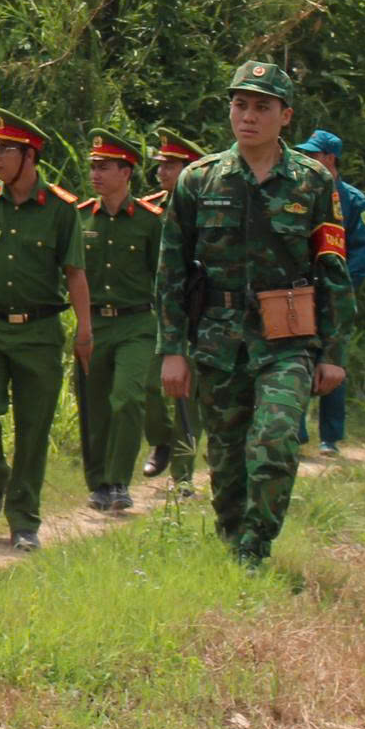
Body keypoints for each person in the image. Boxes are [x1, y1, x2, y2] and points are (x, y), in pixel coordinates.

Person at [156, 61, 353, 568]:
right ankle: (232, 540)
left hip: (287, 338)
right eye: (240, 105)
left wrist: (333, 353)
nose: (248, 116)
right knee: (226, 457)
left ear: (285, 116)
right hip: (218, 340)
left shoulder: (313, 182)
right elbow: (171, 271)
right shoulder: (199, 180)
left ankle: (255, 547)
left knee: (275, 441)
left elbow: (332, 269)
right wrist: (172, 351)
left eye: (262, 107)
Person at [0, 110, 92, 552]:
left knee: (33, 430)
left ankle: (24, 520)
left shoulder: (60, 208)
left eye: (6, 150)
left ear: (29, 156)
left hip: (39, 332)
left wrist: (85, 331)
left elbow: (75, 273)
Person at [73, 129, 165, 514]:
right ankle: (98, 484)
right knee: (94, 406)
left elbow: (163, 278)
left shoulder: (149, 221)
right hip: (93, 324)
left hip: (136, 324)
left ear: (125, 173)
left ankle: (119, 481)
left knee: (127, 398)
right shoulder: (79, 218)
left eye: (104, 167)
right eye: (93, 167)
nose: (95, 174)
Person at [294, 129, 365, 457]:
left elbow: (359, 252)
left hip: (335, 294)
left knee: (332, 359)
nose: (307, 160)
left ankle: (330, 438)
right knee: (294, 359)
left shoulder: (354, 200)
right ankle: (294, 433)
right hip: (301, 292)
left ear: (330, 159)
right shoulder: (299, 193)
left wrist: (341, 290)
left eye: (313, 155)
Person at [142, 128, 204, 485]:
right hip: (156, 314)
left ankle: (183, 475)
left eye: (170, 165)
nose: (161, 172)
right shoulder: (150, 210)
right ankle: (160, 440)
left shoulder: (206, 210)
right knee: (147, 385)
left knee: (189, 397)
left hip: (196, 313)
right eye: (160, 165)